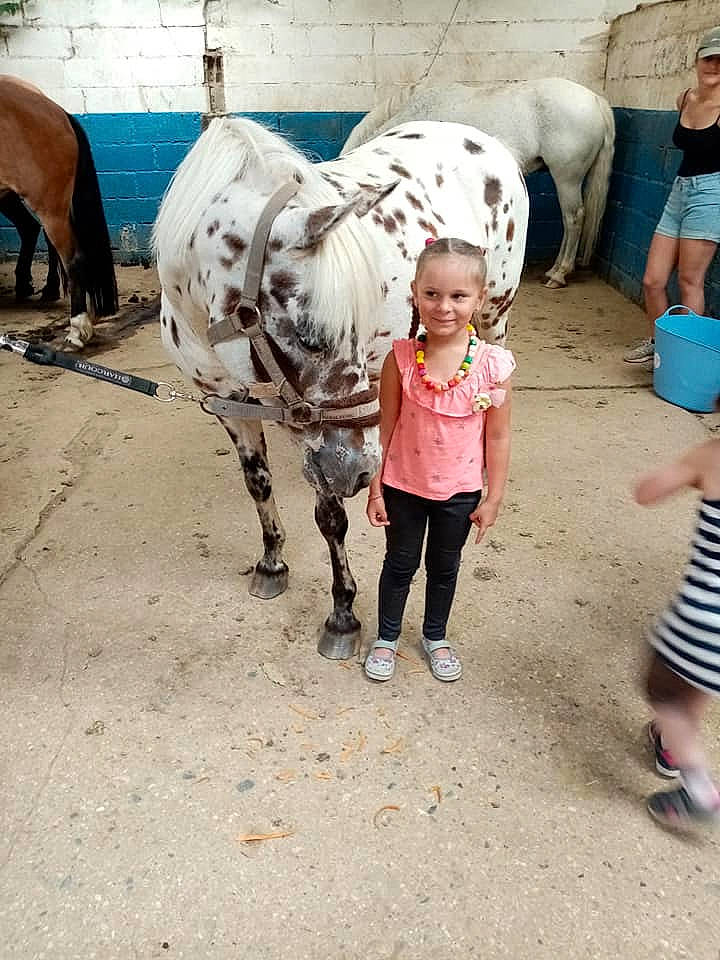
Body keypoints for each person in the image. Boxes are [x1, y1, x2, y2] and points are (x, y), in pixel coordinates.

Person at [364, 237, 515, 682]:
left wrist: (494, 496)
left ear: (481, 298)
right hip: (403, 487)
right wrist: (376, 485)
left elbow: (500, 435)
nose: (443, 306)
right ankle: (387, 637)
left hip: (461, 492)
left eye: (458, 296)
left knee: (444, 567)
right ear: (415, 292)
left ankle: (435, 634)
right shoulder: (401, 360)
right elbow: (385, 426)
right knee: (399, 563)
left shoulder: (493, 366)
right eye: (431, 293)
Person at [634, 437, 720, 830]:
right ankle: (668, 747)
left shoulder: (713, 454)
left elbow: (649, 493)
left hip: (706, 615)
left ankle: (698, 791)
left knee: (664, 689)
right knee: (702, 676)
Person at [624, 26, 720, 363]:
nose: (715, 66)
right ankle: (659, 345)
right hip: (679, 191)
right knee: (652, 280)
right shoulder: (685, 98)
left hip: (712, 192)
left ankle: (686, 358)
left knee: (689, 280)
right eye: (710, 58)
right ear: (697, 60)